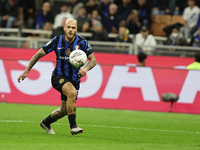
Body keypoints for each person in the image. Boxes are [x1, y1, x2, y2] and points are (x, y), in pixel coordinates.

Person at [17, 18, 97, 135]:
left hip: (74, 79)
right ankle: (73, 127)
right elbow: (38, 54)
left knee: (64, 110)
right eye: (68, 27)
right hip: (58, 77)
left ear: (76, 29)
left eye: (73, 28)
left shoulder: (82, 42)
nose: (70, 30)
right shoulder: (57, 41)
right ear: (64, 28)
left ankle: (45, 122)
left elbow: (93, 60)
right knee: (72, 93)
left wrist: (85, 68)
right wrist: (26, 71)